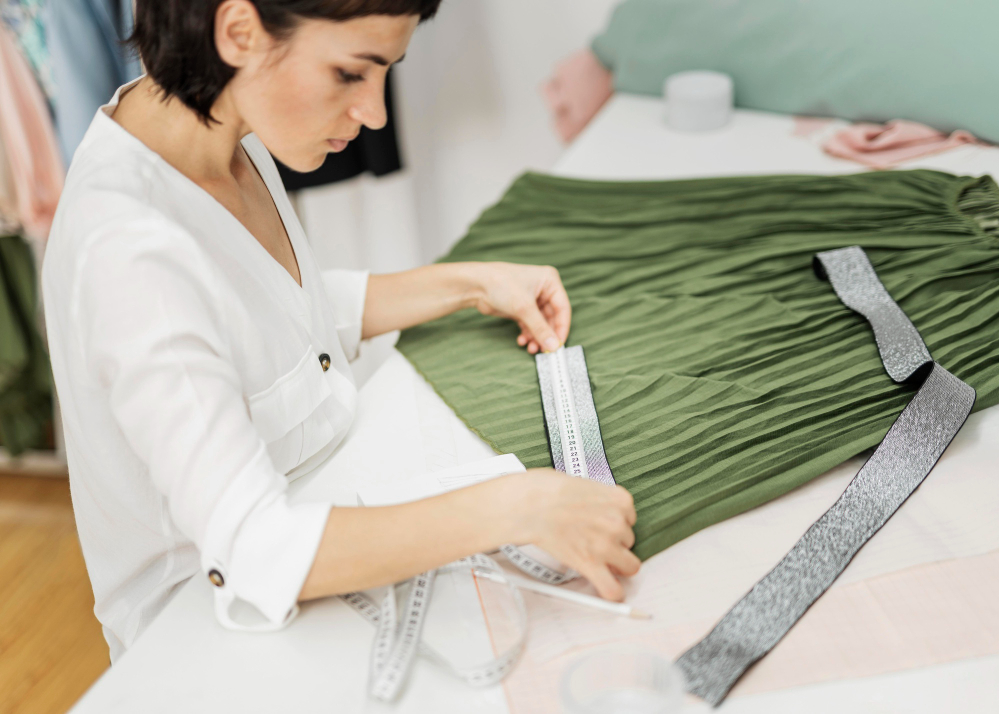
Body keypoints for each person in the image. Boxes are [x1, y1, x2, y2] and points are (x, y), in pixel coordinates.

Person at [41, 0, 639, 661]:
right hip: (210, 642)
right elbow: (255, 550)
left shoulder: (219, 126)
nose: (375, 114)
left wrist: (469, 284)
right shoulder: (130, 254)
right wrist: (514, 508)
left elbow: (270, 313)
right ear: (239, 32)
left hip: (324, 515)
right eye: (352, 74)